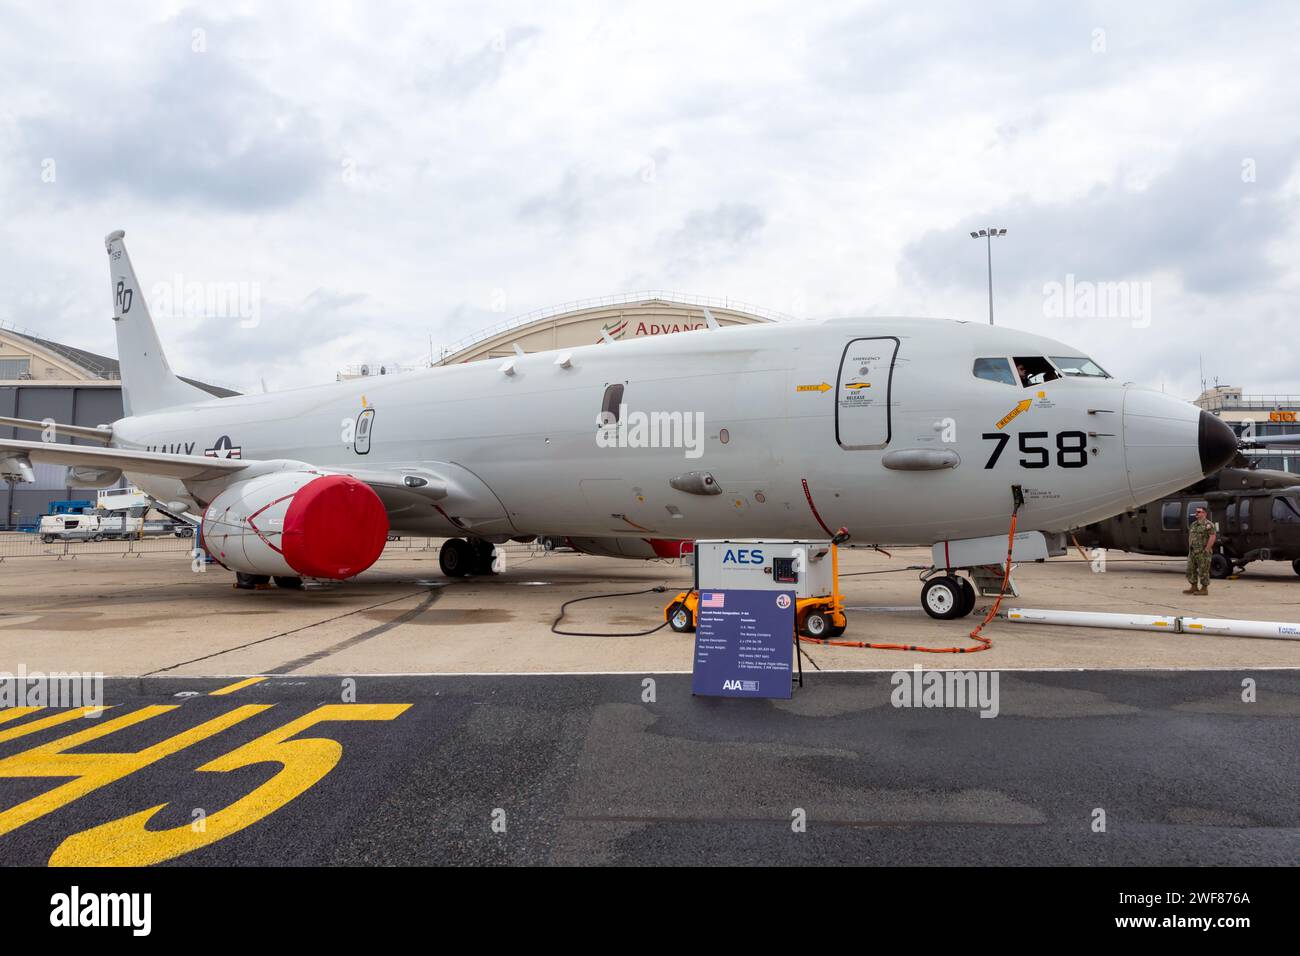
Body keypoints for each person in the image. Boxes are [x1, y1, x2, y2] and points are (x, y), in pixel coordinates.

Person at [1183, 506, 1216, 595]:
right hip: (1193, 551)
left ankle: (1204, 589)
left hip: (1203, 552)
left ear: (1204, 513)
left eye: (1199, 512)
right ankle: (1194, 587)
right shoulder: (1193, 524)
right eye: (1196, 512)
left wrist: (1207, 549)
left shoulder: (1209, 525)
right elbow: (1191, 536)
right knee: (1190, 569)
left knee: (1203, 570)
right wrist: (1190, 547)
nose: (1196, 513)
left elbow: (1212, 537)